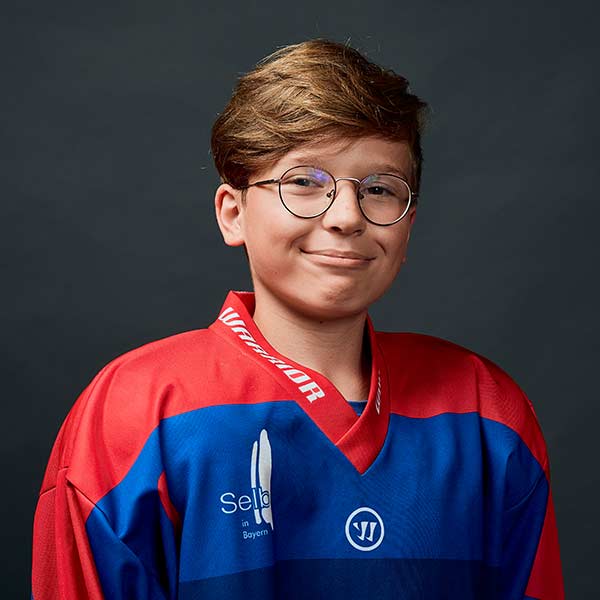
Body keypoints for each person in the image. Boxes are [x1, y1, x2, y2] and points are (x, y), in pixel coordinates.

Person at [31, 39, 564, 599]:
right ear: (233, 213)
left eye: (379, 189)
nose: (347, 217)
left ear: (408, 227)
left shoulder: (486, 410)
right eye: (305, 183)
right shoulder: (137, 409)